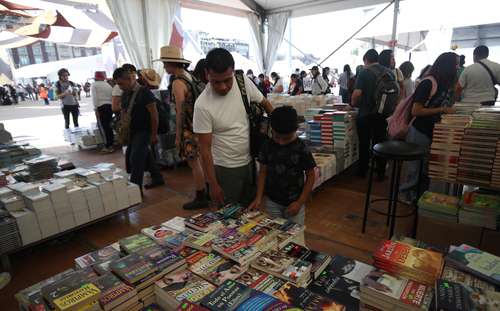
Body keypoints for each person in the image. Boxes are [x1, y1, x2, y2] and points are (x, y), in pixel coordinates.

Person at [193, 48, 273, 207]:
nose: (223, 87)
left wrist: (281, 131)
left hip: (250, 163)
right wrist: (213, 185)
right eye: (216, 82)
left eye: (227, 80)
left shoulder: (242, 82)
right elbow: (204, 150)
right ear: (207, 74)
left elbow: (265, 104)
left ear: (233, 71)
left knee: (250, 212)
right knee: (229, 217)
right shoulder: (202, 105)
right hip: (225, 169)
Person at [400, 52, 458, 202]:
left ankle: (419, 196)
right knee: (415, 168)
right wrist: (442, 110)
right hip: (419, 130)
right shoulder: (428, 83)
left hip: (433, 131)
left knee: (424, 167)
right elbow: (416, 111)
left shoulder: (444, 84)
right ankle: (407, 196)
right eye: (455, 64)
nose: (458, 67)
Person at [160, 45, 208, 210]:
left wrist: (178, 135)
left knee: (193, 163)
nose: (164, 67)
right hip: (200, 125)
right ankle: (205, 190)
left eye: (165, 63)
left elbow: (179, 110)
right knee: (200, 160)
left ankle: (201, 195)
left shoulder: (177, 82)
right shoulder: (190, 77)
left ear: (172, 63)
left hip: (189, 127)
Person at [249, 106, 316, 225]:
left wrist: (300, 203)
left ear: (296, 130)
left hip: (295, 202)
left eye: (287, 138)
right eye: (276, 137)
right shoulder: (267, 146)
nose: (280, 142)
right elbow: (263, 172)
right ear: (271, 129)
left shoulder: (301, 148)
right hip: (272, 201)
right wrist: (259, 197)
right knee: (273, 231)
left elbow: (311, 175)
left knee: (294, 235)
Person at [113, 67, 165, 190]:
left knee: (135, 158)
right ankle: (157, 177)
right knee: (144, 154)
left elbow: (154, 115)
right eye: (118, 84)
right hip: (133, 131)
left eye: (121, 83)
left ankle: (135, 189)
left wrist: (153, 134)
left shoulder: (144, 93)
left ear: (131, 79)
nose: (120, 86)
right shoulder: (125, 93)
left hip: (144, 131)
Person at [350, 49, 389, 179]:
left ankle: (362, 171)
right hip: (383, 113)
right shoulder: (389, 72)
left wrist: (353, 104)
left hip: (366, 114)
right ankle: (381, 172)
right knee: (381, 143)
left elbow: (357, 94)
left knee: (364, 143)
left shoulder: (364, 72)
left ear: (366, 59)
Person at [91, 71, 114, 153]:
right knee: (109, 126)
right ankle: (111, 144)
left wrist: (95, 109)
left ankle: (108, 146)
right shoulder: (108, 85)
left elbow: (94, 98)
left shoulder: (94, 85)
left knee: (104, 127)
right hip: (110, 106)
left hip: (101, 107)